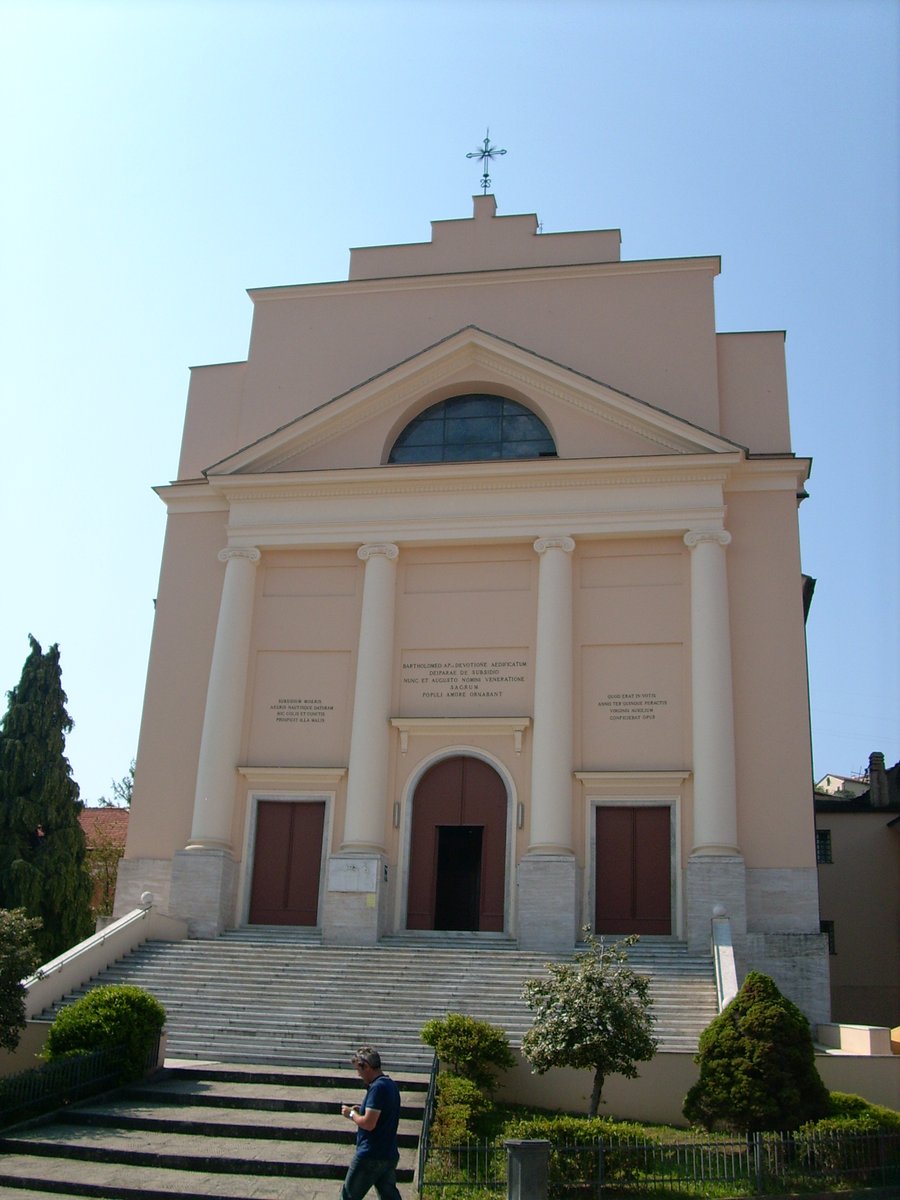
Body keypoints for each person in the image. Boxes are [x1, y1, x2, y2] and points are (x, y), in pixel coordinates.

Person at [340, 1046, 402, 1200]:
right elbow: (382, 1114)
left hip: (370, 1154)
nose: (358, 1074)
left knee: (348, 1197)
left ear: (366, 1066)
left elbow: (369, 1123)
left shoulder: (377, 1087)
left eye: (359, 1070)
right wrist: (363, 1109)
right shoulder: (390, 1085)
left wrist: (351, 1114)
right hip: (388, 1153)